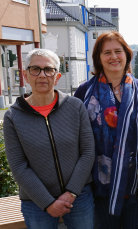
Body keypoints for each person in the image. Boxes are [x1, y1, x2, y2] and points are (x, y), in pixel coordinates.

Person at [3, 49, 95, 229]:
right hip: (36, 203)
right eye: (35, 69)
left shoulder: (75, 107)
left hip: (79, 196)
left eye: (48, 69)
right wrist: (47, 202)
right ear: (26, 75)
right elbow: (19, 166)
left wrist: (71, 193)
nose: (42, 75)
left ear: (57, 76)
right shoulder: (13, 117)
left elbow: (88, 152)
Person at [74, 31, 138, 228]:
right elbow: (75, 137)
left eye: (118, 51)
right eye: (107, 52)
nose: (113, 57)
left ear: (126, 55)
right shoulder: (84, 92)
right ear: (98, 58)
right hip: (99, 190)